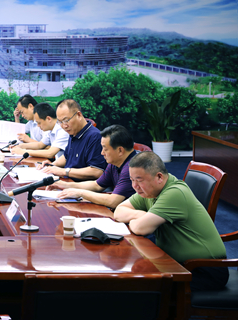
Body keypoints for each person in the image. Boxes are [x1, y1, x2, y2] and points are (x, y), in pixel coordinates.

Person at [114, 151, 228, 291]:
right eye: (131, 180)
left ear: (159, 177)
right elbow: (119, 211)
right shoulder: (150, 190)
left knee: (140, 286)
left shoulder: (174, 193)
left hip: (205, 269)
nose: (134, 186)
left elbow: (140, 228)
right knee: (134, 278)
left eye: (139, 180)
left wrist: (137, 219)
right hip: (177, 263)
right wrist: (141, 214)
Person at [51, 124, 137, 208]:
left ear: (120, 150)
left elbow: (113, 201)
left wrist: (80, 193)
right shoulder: (115, 162)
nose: (102, 153)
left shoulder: (132, 167)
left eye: (105, 149)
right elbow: (97, 185)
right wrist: (63, 185)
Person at [38, 99, 107, 180]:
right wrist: (52, 165)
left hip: (80, 185)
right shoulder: (73, 133)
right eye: (60, 122)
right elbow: (66, 156)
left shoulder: (95, 137)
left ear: (79, 115)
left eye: (66, 120)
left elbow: (97, 171)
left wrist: (64, 171)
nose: (64, 126)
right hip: (68, 181)